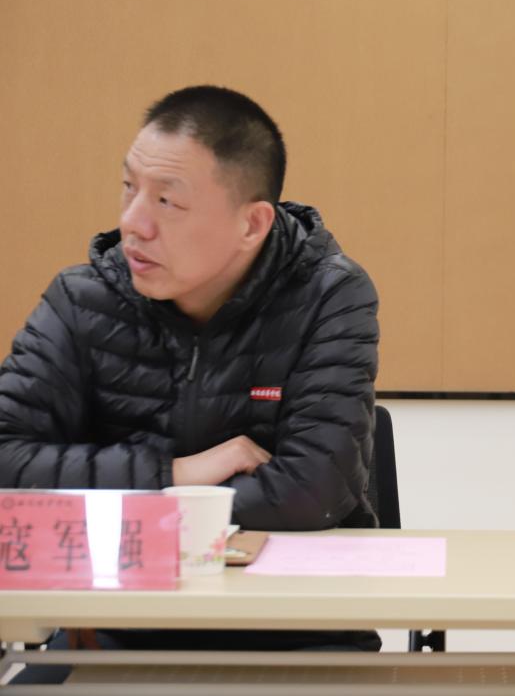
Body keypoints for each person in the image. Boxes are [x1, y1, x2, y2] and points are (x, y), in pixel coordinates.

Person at [0, 86, 382, 677]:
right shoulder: (83, 299)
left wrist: (104, 506)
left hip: (295, 631)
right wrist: (178, 474)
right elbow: (6, 461)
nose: (132, 222)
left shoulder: (328, 295)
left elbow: (313, 493)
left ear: (252, 223)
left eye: (167, 201)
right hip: (117, 633)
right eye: (129, 188)